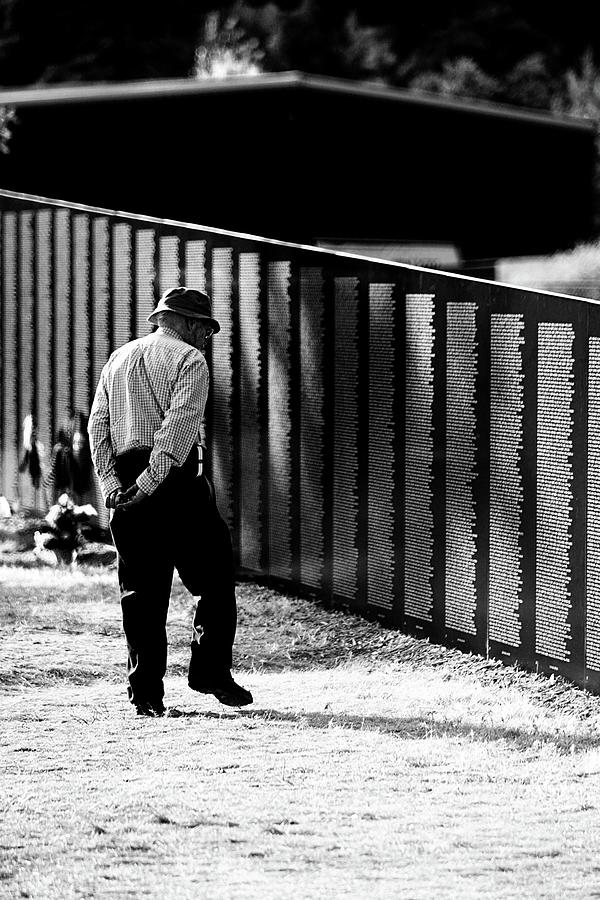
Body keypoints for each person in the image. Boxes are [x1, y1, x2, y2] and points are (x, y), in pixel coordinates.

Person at [88, 286, 252, 717]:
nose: (207, 338)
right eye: (206, 329)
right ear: (189, 324)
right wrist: (152, 480)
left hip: (124, 482)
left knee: (140, 593)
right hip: (174, 481)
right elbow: (178, 427)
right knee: (214, 578)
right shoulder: (189, 360)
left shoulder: (117, 359)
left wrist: (111, 484)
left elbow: (97, 425)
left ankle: (145, 695)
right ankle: (210, 672)